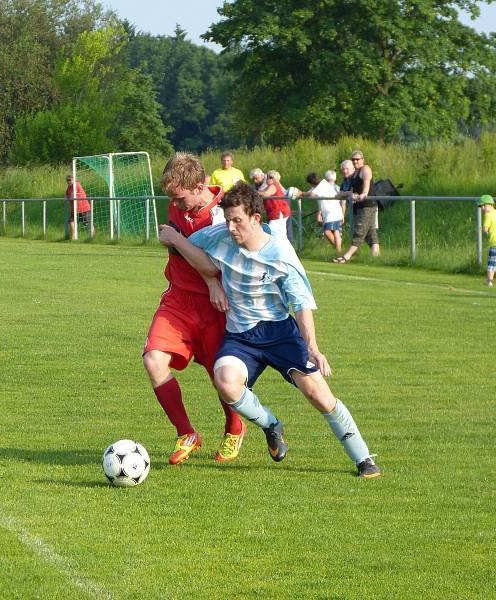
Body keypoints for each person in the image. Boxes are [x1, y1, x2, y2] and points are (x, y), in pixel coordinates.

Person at [158, 181, 382, 478]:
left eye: (238, 220)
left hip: (279, 333)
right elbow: (191, 250)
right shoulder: (220, 236)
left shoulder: (280, 252)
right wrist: (174, 238)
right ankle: (271, 425)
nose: (232, 228)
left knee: (319, 395)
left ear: (255, 218)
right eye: (228, 221)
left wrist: (312, 347)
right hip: (240, 337)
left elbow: (301, 303)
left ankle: (363, 458)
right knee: (225, 381)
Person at [143, 153, 247, 465]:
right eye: (171, 197)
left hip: (215, 306)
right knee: (153, 360)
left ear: (199, 186)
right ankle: (187, 432)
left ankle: (234, 427)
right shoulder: (177, 203)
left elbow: (214, 265)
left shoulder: (223, 214)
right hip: (177, 300)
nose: (175, 203)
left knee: (222, 378)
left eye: (180, 197)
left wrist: (176, 240)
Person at [333, 151, 379, 263]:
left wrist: (363, 194)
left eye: (357, 159)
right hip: (360, 206)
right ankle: (377, 259)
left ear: (363, 160)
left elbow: (366, 184)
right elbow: (352, 192)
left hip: (367, 206)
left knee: (359, 231)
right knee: (371, 234)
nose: (355, 161)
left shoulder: (365, 169)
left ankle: (346, 256)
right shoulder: (354, 174)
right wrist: (345, 194)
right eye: (353, 159)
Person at [305, 171, 345, 252]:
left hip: (332, 212)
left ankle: (338, 250)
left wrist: (301, 193)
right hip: (333, 212)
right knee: (335, 231)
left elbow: (311, 195)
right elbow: (310, 193)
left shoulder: (322, 185)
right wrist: (301, 194)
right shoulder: (318, 186)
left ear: (312, 182)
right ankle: (339, 250)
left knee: (327, 232)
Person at [260, 170, 293, 241]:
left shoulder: (273, 186)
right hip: (279, 213)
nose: (268, 178)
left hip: (278, 213)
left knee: (270, 233)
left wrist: (254, 193)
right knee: (281, 234)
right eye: (268, 176)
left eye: (271, 177)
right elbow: (263, 192)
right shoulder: (270, 186)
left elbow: (266, 194)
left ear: (275, 179)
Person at [65, 174, 94, 239]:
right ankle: (73, 237)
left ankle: (92, 238)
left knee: (88, 223)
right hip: (75, 209)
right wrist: (68, 197)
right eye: (67, 180)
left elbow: (72, 196)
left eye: (70, 180)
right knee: (71, 221)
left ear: (73, 179)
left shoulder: (76, 184)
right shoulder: (69, 187)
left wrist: (70, 197)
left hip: (83, 208)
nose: (68, 181)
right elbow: (66, 195)